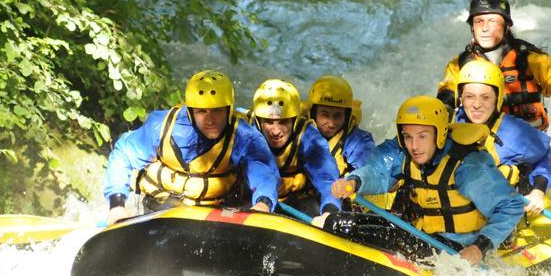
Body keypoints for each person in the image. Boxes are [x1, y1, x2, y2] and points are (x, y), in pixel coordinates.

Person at [331, 96, 526, 267]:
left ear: (439, 134)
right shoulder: (405, 154)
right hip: (422, 233)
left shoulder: (467, 166)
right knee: (339, 223)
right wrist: (354, 182)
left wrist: (480, 247)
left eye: (422, 136)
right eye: (408, 137)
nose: (414, 146)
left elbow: (511, 205)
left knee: (373, 236)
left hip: (459, 247)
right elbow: (377, 171)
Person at [436, 0, 551, 173]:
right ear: (472, 26)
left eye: (492, 21)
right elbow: (441, 111)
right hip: (476, 157)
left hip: (525, 158)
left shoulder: (535, 61)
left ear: (507, 25)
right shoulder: (459, 66)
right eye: (479, 21)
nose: (485, 28)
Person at [102, 70, 280, 224]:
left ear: (229, 109)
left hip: (215, 214)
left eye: (217, 111)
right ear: (190, 111)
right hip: (159, 210)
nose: (210, 120)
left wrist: (262, 204)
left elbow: (264, 174)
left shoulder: (245, 138)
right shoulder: (162, 127)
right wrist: (117, 204)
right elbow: (123, 155)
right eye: (201, 111)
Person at [454, 59, 551, 215]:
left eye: (485, 97)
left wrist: (538, 191)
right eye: (470, 97)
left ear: (497, 99)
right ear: (460, 98)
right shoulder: (447, 126)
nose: (477, 105)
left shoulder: (513, 132)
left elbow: (544, 153)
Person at [247, 79, 342, 218]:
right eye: (269, 122)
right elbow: (259, 171)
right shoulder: (246, 133)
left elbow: (326, 178)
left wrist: (330, 210)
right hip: (254, 200)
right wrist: (263, 203)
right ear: (258, 121)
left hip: (295, 202)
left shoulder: (309, 138)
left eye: (283, 122)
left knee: (313, 206)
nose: (276, 131)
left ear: (295, 120)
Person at [303, 75, 375, 176]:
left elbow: (368, 174)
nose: (331, 124)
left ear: (347, 116)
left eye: (338, 116)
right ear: (313, 114)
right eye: (325, 115)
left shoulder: (360, 141)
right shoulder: (295, 131)